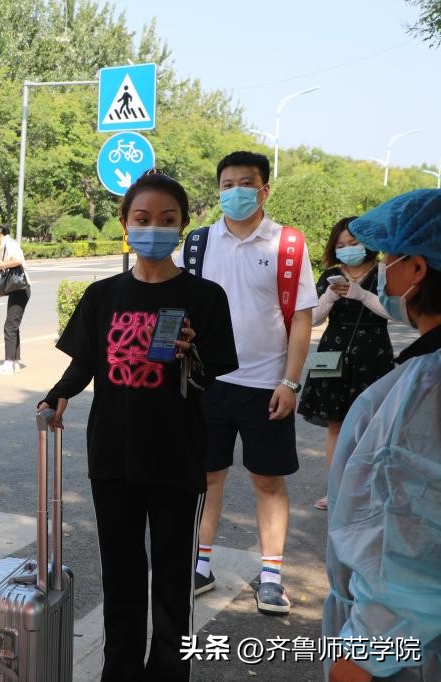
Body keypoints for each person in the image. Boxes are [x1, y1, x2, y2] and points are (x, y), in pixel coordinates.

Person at [39, 171, 238, 681]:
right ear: (126, 225)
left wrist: (191, 351)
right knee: (122, 579)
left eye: (167, 221)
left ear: (183, 227)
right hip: (113, 457)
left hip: (178, 456)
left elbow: (212, 377)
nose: (154, 229)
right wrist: (57, 397)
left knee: (173, 585)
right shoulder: (102, 296)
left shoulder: (206, 297)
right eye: (143, 219)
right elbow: (82, 366)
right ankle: (121, 672)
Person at [181, 151, 317, 616]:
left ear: (264, 190)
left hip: (267, 387)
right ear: (217, 189)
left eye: (245, 183)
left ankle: (272, 576)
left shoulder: (288, 245)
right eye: (226, 184)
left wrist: (291, 383)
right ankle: (200, 566)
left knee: (267, 479)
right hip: (207, 384)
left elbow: (301, 321)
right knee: (206, 476)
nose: (234, 191)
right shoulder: (197, 244)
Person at [323, 189, 441, 682]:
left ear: (416, 270)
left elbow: (404, 546)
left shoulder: (424, 389)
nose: (382, 269)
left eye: (389, 258)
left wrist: (357, 662)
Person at [297, 217, 395, 511]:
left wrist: (361, 295)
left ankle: (366, 490)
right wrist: (327, 297)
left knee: (370, 425)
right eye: (341, 245)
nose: (347, 249)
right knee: (335, 426)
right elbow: (311, 319)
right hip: (332, 352)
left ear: (367, 243)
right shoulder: (329, 274)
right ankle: (336, 489)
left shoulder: (383, 272)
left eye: (353, 243)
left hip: (373, 353)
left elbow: (394, 313)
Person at [0, 223, 29, 376]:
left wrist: (2, 264)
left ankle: (9, 364)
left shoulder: (9, 243)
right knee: (13, 326)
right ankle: (14, 362)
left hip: (20, 289)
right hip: (18, 289)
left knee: (9, 326)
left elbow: (17, 260)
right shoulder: (4, 244)